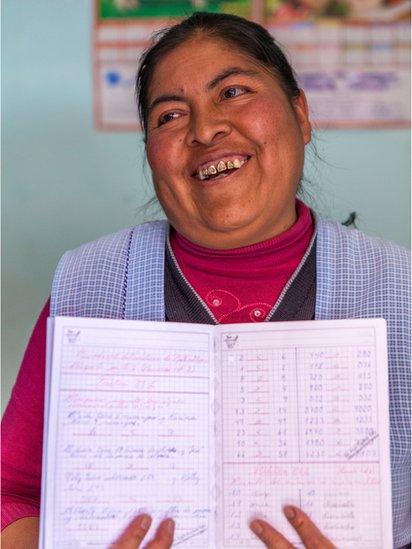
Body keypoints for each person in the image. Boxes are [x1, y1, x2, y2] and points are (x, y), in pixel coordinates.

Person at [2, 11, 410, 549]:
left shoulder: (398, 290)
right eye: (170, 115)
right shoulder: (90, 286)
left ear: (300, 114)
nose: (205, 129)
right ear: (150, 153)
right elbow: (14, 491)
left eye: (234, 91)